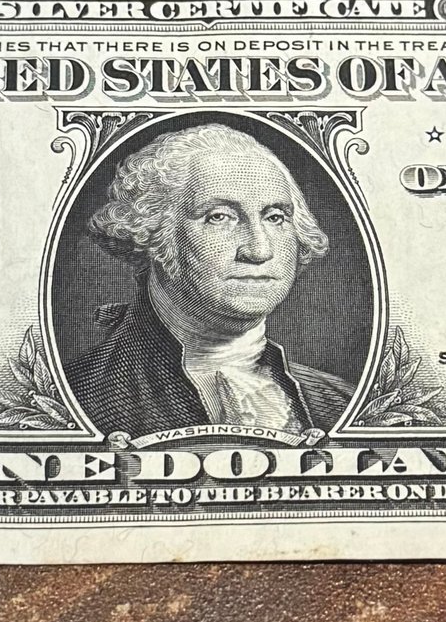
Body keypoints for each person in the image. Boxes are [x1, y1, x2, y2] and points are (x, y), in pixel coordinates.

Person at [69, 123, 354, 439]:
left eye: (275, 217)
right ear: (153, 232)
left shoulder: (340, 401)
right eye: (218, 217)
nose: (259, 250)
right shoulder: (78, 397)